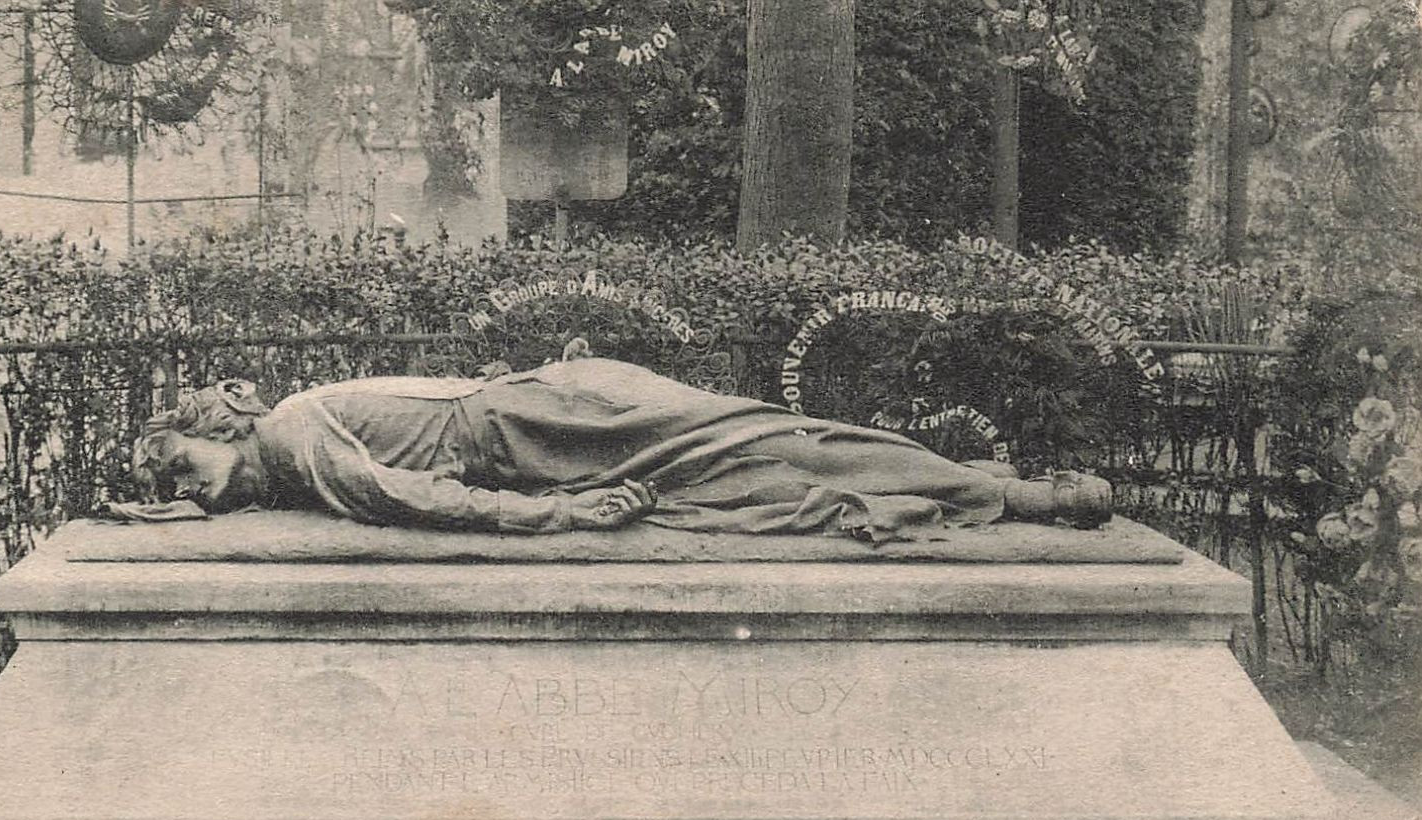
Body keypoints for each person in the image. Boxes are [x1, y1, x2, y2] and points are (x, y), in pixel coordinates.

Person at [130, 353, 1111, 539]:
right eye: (178, 492)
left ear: (214, 429)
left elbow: (417, 501)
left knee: (776, 455)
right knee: (771, 464)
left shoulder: (296, 437)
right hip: (556, 415)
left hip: (553, 433)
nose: (194, 493)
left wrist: (561, 512)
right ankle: (977, 484)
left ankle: (1018, 498)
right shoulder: (289, 439)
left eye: (184, 470)